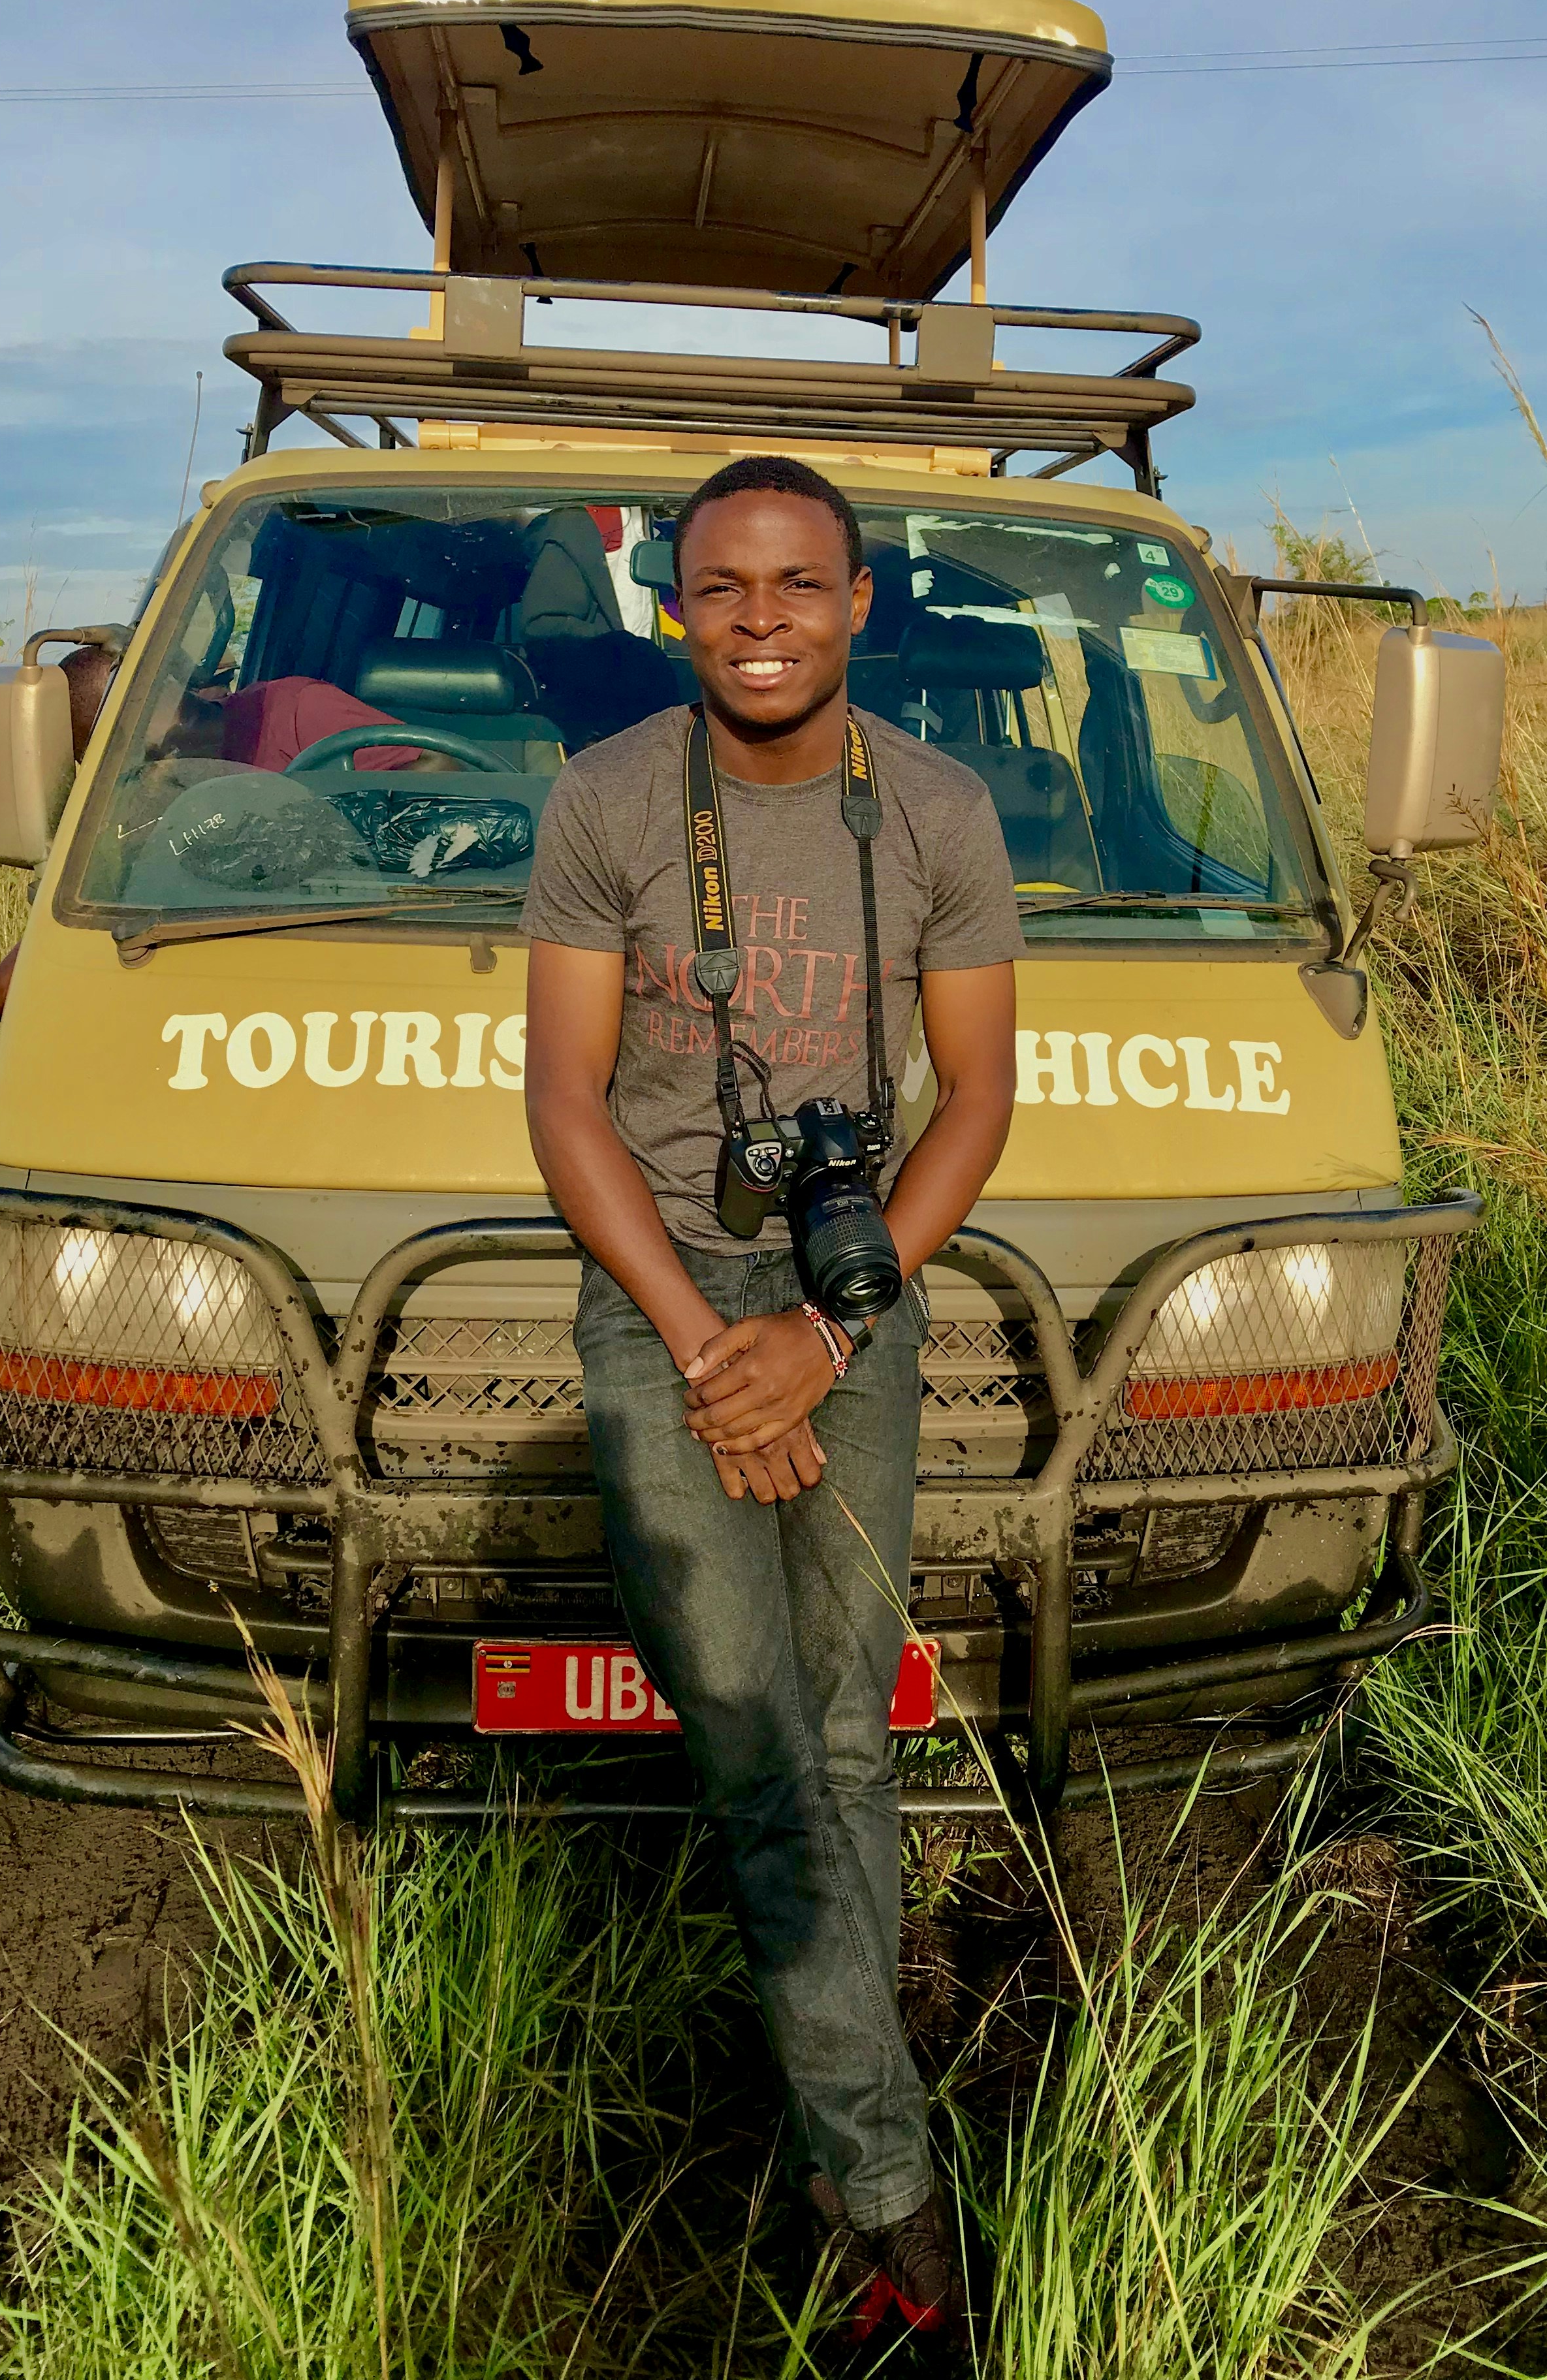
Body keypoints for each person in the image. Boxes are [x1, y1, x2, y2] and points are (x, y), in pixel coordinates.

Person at [523, 455, 1019, 2349]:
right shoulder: (608, 800)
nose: (757, 617)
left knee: (847, 1735)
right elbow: (569, 1102)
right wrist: (698, 1347)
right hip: (657, 1279)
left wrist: (821, 1337)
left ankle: (835, 2126)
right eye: (720, 585)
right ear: (674, 603)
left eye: (795, 582)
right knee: (753, 1738)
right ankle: (890, 2188)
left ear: (856, 600)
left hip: (849, 1288)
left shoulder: (946, 813)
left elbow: (970, 1098)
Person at [0, 641, 121, 1145]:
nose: (105, 775)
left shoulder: (296, 713)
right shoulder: (130, 810)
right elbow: (77, 919)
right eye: (89, 760)